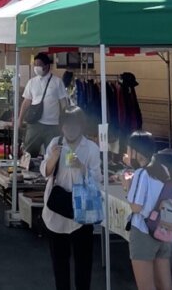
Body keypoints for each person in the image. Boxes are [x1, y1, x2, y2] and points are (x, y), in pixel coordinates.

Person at [41, 107, 101, 290]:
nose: (70, 128)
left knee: (83, 263)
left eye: (74, 124)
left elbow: (97, 179)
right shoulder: (55, 143)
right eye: (66, 124)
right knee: (60, 264)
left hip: (82, 212)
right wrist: (54, 157)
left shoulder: (91, 147)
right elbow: (45, 172)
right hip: (57, 211)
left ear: (81, 126)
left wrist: (80, 166)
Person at [124, 131, 172, 290]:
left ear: (135, 151)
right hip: (164, 228)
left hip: (143, 231)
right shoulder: (163, 169)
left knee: (146, 286)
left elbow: (136, 207)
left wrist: (127, 187)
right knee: (164, 285)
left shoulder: (140, 173)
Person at [19, 52, 69, 157]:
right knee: (28, 154)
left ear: (46, 66)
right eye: (35, 65)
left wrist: (65, 122)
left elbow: (63, 104)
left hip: (53, 125)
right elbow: (26, 102)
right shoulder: (32, 82)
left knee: (52, 155)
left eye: (38, 65)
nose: (36, 67)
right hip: (34, 124)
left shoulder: (57, 82)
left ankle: (50, 173)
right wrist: (20, 120)